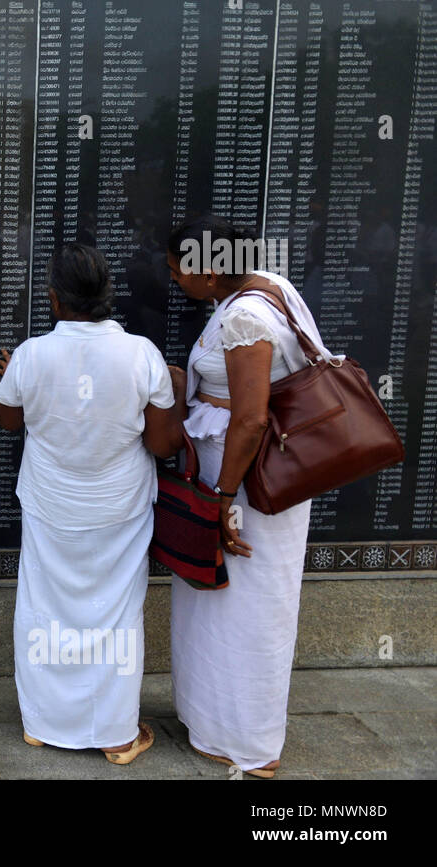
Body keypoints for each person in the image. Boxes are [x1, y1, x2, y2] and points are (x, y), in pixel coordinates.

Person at [0, 243, 184, 764]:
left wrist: (22, 378)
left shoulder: (32, 355)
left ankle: (43, 724)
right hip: (118, 508)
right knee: (115, 616)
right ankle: (116, 735)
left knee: (43, 609)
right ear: (108, 296)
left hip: (51, 506)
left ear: (55, 301)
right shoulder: (142, 354)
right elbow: (164, 444)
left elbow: (8, 419)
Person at [165, 215, 334, 778]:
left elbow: (251, 418)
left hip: (250, 481)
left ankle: (249, 743)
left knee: (249, 606)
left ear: (210, 272)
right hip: (244, 475)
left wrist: (221, 499)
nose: (173, 280)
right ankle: (212, 721)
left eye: (177, 271)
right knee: (219, 603)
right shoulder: (268, 284)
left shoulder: (244, 317)